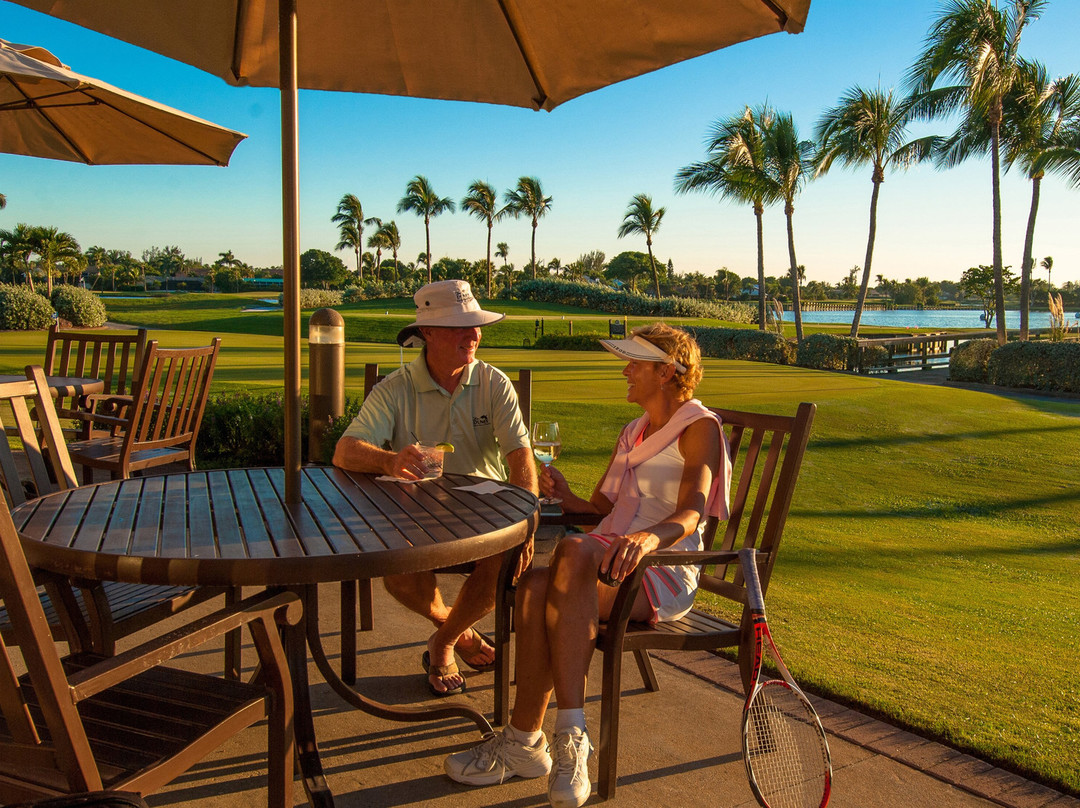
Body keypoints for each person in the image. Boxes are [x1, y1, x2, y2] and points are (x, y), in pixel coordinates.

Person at [444, 323, 730, 808]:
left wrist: (645, 538)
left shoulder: (699, 426)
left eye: (635, 363)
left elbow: (692, 511)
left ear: (665, 373)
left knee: (571, 555)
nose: (626, 370)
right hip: (609, 560)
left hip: (661, 568)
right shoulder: (633, 432)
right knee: (535, 585)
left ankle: (567, 739)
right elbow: (600, 508)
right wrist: (564, 494)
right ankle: (525, 743)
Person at [333, 279, 538, 697]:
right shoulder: (395, 387)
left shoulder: (494, 383)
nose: (473, 335)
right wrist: (389, 460)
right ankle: (456, 630)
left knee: (509, 555)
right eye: (459, 325)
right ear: (427, 333)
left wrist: (527, 520)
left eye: (475, 325)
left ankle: (442, 643)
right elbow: (344, 451)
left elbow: (521, 456)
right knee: (396, 567)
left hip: (486, 511)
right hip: (413, 512)